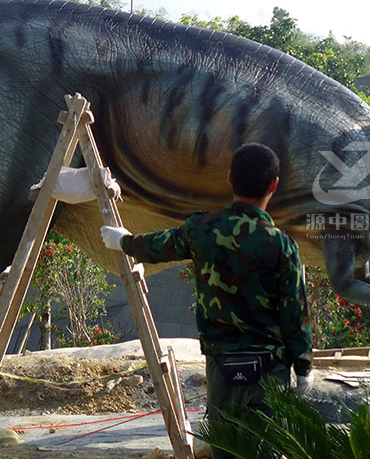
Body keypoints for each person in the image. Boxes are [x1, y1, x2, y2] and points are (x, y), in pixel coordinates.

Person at [100, 142, 313, 459]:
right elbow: (295, 313)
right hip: (269, 369)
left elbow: (159, 246)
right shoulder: (281, 245)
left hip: (221, 367)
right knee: (264, 450)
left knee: (224, 448)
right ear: (274, 185)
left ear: (229, 179)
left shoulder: (201, 230)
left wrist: (123, 241)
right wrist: (303, 366)